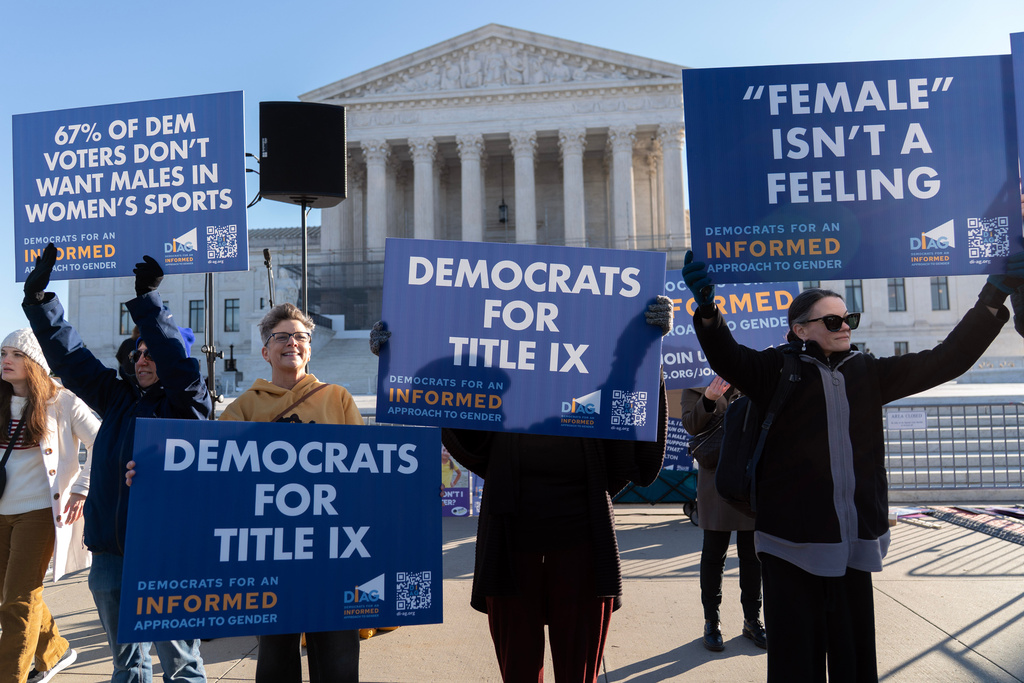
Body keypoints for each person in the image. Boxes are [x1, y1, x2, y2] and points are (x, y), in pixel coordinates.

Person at [682, 250, 1023, 682]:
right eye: (832, 321)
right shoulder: (775, 370)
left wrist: (994, 295)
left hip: (855, 547)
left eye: (848, 319)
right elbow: (728, 357)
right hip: (791, 548)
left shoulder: (867, 372)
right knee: (795, 669)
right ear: (799, 329)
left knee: (855, 665)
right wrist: (709, 312)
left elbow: (947, 359)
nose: (844, 326)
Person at [370, 296, 673, 683]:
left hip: (583, 545)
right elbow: (457, 421)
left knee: (579, 673)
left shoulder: (594, 391)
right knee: (518, 672)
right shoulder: (502, 400)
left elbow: (634, 436)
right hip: (511, 547)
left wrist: (651, 355)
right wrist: (399, 355)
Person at [23, 244, 210, 683]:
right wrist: (40, 303)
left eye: (153, 354)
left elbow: (180, 368)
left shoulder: (188, 403)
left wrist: (147, 304)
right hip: (111, 551)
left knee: (182, 665)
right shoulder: (117, 397)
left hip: (166, 550)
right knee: (127, 666)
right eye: (137, 353)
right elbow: (72, 359)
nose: (141, 359)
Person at [218, 303, 361, 683]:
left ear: (310, 348)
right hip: (271, 556)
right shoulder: (243, 407)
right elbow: (209, 469)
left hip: (331, 550)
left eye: (300, 336)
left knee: (338, 660)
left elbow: (368, 471)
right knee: (277, 659)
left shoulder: (338, 398)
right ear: (265, 351)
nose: (292, 343)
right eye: (281, 336)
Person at [0, 329, 98, 683]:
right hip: (1, 511)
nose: (6, 360)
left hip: (39, 513)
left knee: (19, 600)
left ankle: (11, 675)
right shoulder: (0, 399)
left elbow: (103, 440)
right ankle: (56, 651)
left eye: (15, 354)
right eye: (3, 353)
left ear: (34, 362)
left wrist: (82, 488)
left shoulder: (63, 401)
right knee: (8, 596)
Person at [680, 376, 764, 652]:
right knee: (714, 555)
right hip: (715, 479)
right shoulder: (693, 382)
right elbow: (690, 425)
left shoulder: (752, 376)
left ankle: (752, 620)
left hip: (749, 477)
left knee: (752, 557)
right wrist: (709, 399)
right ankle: (711, 623)